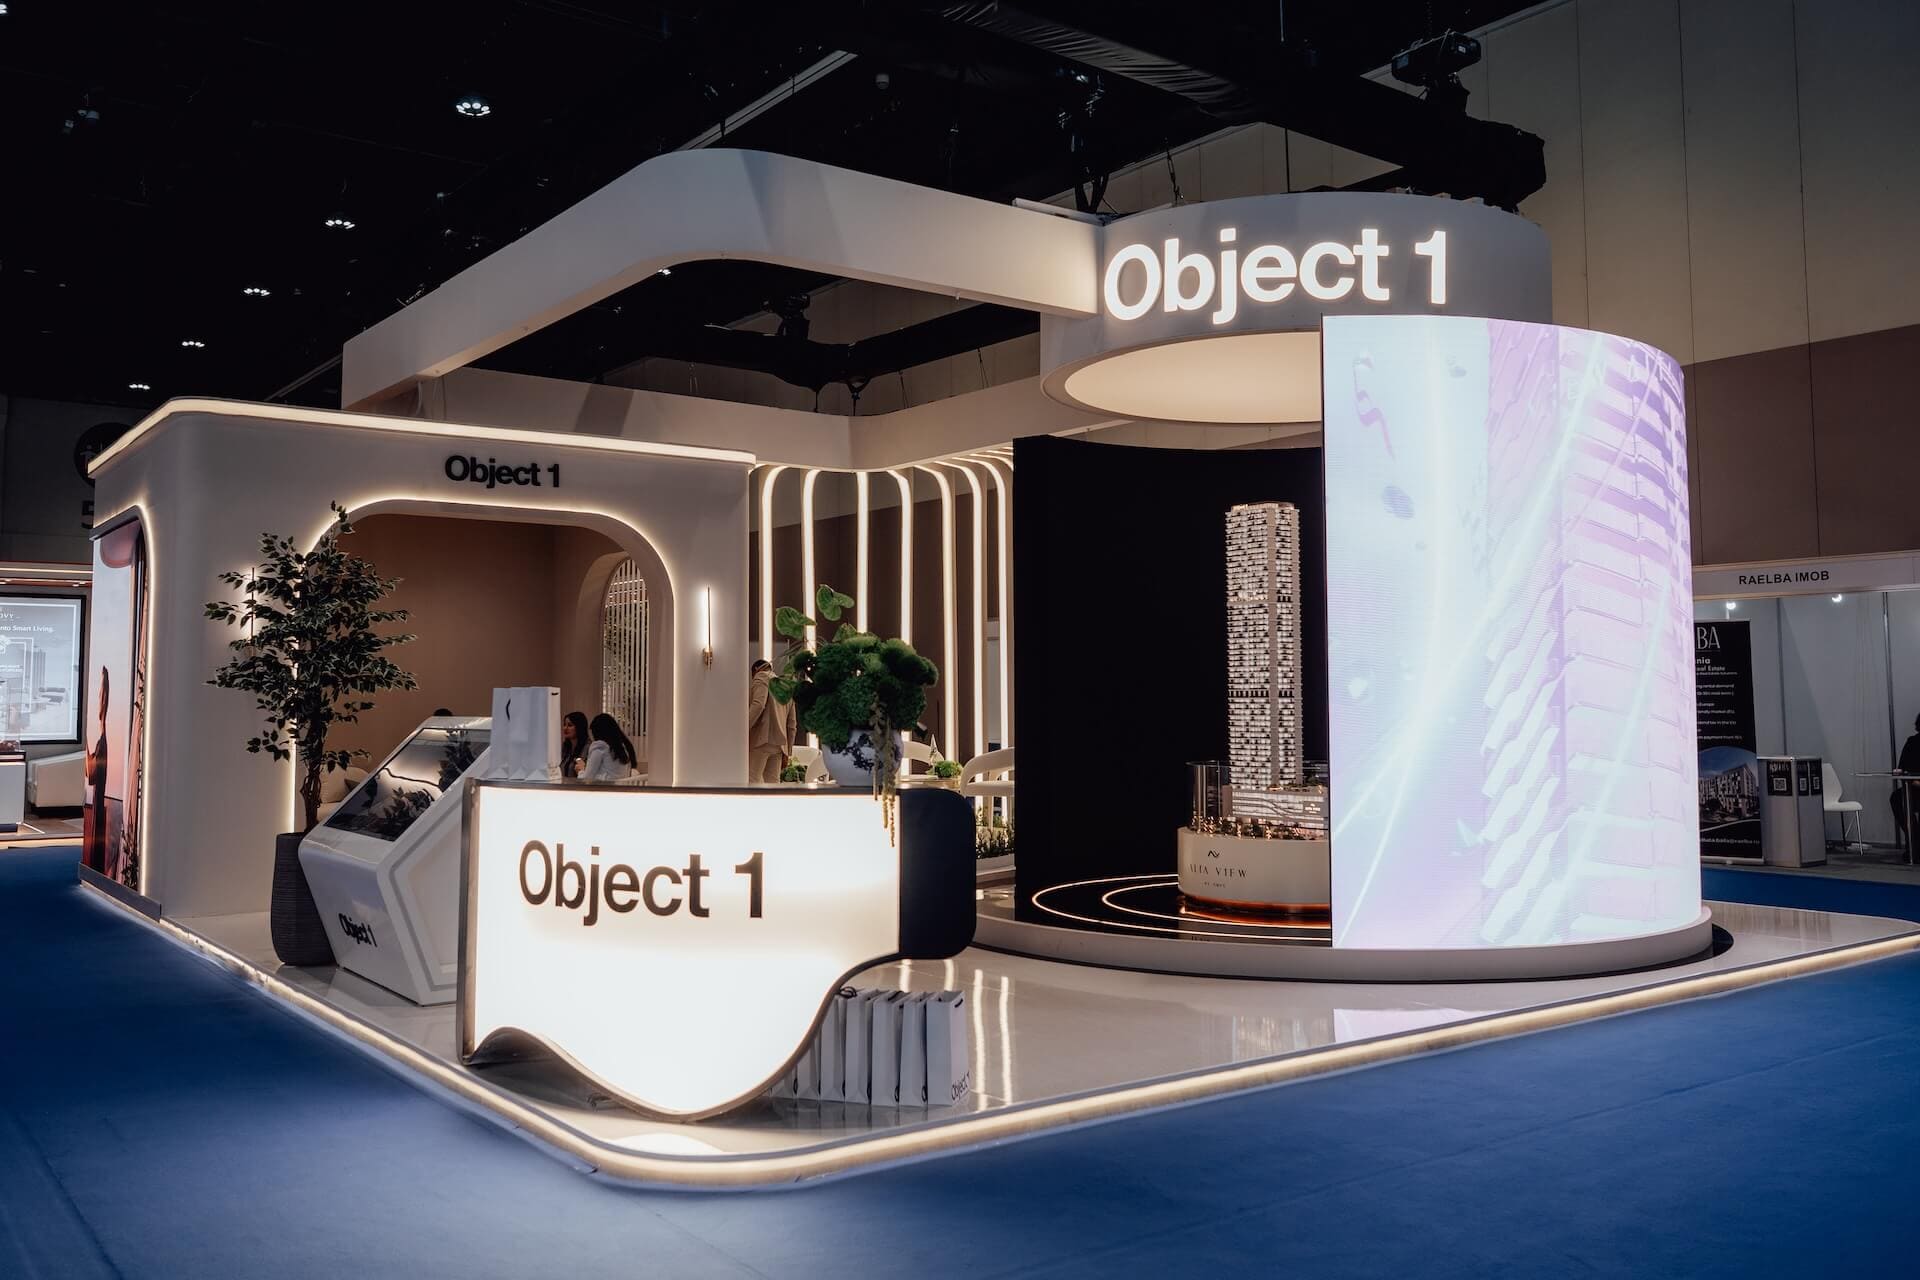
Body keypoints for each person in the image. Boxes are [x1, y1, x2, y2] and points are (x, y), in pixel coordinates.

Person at [748, 658, 794, 783]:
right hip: (780, 745)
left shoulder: (761, 677)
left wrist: (744, 729)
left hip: (761, 740)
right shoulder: (785, 686)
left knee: (752, 781)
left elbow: (758, 705)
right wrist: (788, 752)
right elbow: (792, 724)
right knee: (773, 785)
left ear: (755, 670)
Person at [83, 667, 110, 876]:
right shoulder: (100, 737)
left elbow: (92, 774)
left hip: (99, 801)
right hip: (96, 800)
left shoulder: (102, 738)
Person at [580, 712, 640, 783]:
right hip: (620, 788)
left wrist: (581, 770)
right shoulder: (623, 748)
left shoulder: (599, 746)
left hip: (604, 788)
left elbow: (587, 778)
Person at [1892, 714, 1920, 853]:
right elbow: (1901, 769)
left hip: (1915, 788)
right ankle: (1914, 839)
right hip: (1914, 788)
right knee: (1896, 799)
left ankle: (1915, 844)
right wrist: (1914, 782)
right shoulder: (1912, 742)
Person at [558, 710, 591, 779]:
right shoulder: (566, 747)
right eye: (564, 725)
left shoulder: (588, 747)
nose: (565, 728)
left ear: (579, 727)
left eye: (570, 725)